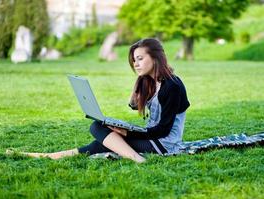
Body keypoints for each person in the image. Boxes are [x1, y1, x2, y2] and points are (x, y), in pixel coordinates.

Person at [12, 38, 190, 163]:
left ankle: (138, 160)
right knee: (100, 130)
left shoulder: (172, 86)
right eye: (134, 60)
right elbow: (133, 105)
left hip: (164, 144)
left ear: (156, 58)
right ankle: (49, 156)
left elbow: (163, 129)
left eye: (140, 59)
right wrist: (138, 85)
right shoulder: (150, 82)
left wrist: (128, 133)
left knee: (100, 134)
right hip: (151, 136)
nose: (135, 64)